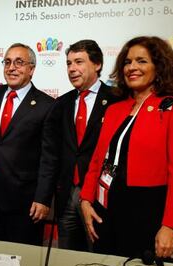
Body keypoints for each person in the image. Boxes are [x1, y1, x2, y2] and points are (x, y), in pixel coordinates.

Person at [80, 36, 173, 259]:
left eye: (141, 61)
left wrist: (170, 226)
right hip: (104, 213)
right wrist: (85, 200)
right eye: (127, 62)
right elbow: (97, 160)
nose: (132, 67)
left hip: (146, 214)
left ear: (159, 67)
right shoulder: (115, 110)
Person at [0, 43, 57, 246]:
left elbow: (49, 158)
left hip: (25, 201)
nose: (12, 67)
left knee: (22, 261)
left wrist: (43, 198)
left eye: (19, 62)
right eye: (8, 62)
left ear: (31, 69)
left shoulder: (47, 105)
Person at [48, 40, 122, 251]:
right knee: (68, 257)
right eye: (69, 63)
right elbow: (52, 152)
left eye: (79, 62)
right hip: (67, 194)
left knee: (97, 257)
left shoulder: (118, 100)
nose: (72, 69)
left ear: (97, 64)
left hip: (100, 196)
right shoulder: (61, 104)